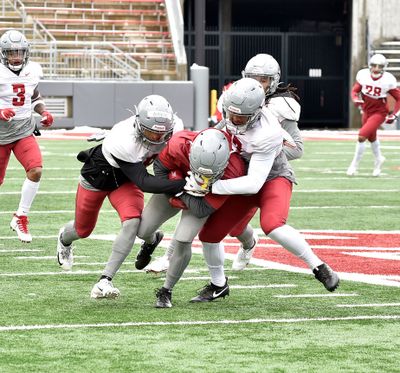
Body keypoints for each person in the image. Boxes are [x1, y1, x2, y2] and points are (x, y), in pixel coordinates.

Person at [144, 53, 304, 273]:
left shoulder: (281, 105)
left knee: (236, 226)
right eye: (253, 77)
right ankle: (169, 256)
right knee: (201, 206)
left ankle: (249, 244)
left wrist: (257, 154)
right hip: (232, 169)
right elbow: (220, 129)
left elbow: (297, 148)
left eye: (263, 79)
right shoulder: (238, 96)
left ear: (273, 80)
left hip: (262, 175)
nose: (257, 83)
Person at [184, 78, 339, 301]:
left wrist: (211, 186)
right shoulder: (230, 109)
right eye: (232, 114)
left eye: (242, 117)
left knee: (272, 225)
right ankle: (218, 285)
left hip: (272, 178)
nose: (235, 120)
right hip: (242, 177)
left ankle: (320, 267)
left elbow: (254, 183)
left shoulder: (267, 131)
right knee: (209, 234)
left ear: (257, 111)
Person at [56, 94, 186, 299]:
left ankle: (104, 280)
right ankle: (64, 238)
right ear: (138, 123)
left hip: (126, 181)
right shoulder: (123, 139)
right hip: (99, 176)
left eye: (161, 134)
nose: (157, 139)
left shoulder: (175, 126)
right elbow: (145, 182)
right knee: (83, 229)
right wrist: (184, 183)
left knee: (133, 223)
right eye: (151, 133)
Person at [133, 127, 247, 308]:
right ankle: (152, 240)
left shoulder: (234, 169)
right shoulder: (180, 143)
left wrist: (184, 193)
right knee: (142, 230)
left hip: (201, 199)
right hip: (177, 187)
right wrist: (176, 189)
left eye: (208, 173)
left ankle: (166, 290)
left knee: (183, 239)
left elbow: (203, 209)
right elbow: (160, 167)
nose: (202, 175)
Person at [0, 29, 54, 243]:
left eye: (20, 52)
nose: (16, 57)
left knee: (36, 170)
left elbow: (34, 96)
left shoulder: (32, 70)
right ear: (3, 53)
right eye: (11, 52)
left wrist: (44, 112)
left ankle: (21, 215)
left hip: (23, 129)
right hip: (1, 133)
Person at [347, 53, 400, 177]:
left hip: (379, 111)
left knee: (361, 136)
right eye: (374, 65)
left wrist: (394, 115)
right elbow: (355, 90)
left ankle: (354, 165)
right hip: (366, 110)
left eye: (379, 66)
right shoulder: (363, 75)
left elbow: (399, 98)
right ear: (369, 65)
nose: (376, 69)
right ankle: (378, 161)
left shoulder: (388, 79)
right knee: (372, 138)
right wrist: (355, 99)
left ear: (384, 67)